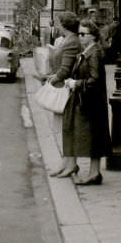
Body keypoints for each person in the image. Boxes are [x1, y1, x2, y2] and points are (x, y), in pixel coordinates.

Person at [59, 20, 111, 185]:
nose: (80, 37)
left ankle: (94, 173)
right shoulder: (88, 51)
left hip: (92, 101)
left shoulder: (94, 53)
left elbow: (94, 79)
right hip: (89, 100)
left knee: (94, 136)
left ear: (93, 36)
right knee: (92, 136)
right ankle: (94, 173)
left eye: (83, 34)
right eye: (79, 34)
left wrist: (77, 83)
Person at [45, 11, 81, 177]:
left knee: (66, 127)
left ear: (64, 24)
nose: (57, 26)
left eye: (58, 23)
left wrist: (51, 81)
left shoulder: (71, 42)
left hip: (66, 89)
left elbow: (66, 69)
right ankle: (66, 162)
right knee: (63, 127)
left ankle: (70, 163)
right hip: (63, 87)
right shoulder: (67, 40)